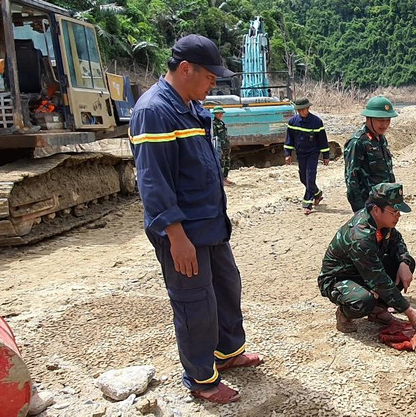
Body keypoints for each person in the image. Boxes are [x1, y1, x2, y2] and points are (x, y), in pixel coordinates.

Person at [128, 34, 262, 404]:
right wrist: (176, 236)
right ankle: (202, 379)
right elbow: (153, 181)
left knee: (225, 287)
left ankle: (228, 352)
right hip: (183, 231)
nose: (213, 83)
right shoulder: (154, 111)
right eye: (209, 76)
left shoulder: (189, 104)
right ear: (186, 69)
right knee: (194, 303)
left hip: (209, 224)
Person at [317, 183, 416, 334]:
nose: (398, 216)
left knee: (406, 264)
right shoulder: (360, 236)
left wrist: (404, 262)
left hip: (364, 272)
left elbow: (397, 241)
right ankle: (344, 314)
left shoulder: (381, 221)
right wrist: (408, 311)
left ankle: (377, 310)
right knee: (363, 301)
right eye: (394, 211)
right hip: (339, 278)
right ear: (376, 209)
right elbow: (377, 278)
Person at [344, 96, 398, 212]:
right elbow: (351, 180)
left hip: (385, 202)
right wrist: (359, 211)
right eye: (380, 120)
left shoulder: (381, 139)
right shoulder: (358, 142)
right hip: (368, 204)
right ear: (369, 119)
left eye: (387, 120)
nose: (384, 125)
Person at [284, 97, 330, 214]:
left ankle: (307, 204)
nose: (300, 112)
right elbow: (289, 139)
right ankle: (317, 193)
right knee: (303, 178)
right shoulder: (292, 122)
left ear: (308, 108)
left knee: (310, 177)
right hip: (301, 153)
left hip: (313, 153)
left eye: (302, 110)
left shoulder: (317, 122)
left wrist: (326, 155)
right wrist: (288, 154)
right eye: (298, 110)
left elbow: (322, 140)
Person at [211, 106, 233, 186]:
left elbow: (225, 136)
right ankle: (221, 180)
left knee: (227, 163)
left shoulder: (222, 123)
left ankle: (225, 178)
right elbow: (215, 137)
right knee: (221, 164)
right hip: (220, 147)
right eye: (218, 113)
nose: (220, 115)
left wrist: (228, 146)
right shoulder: (214, 124)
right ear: (215, 114)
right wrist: (219, 148)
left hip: (226, 146)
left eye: (221, 113)